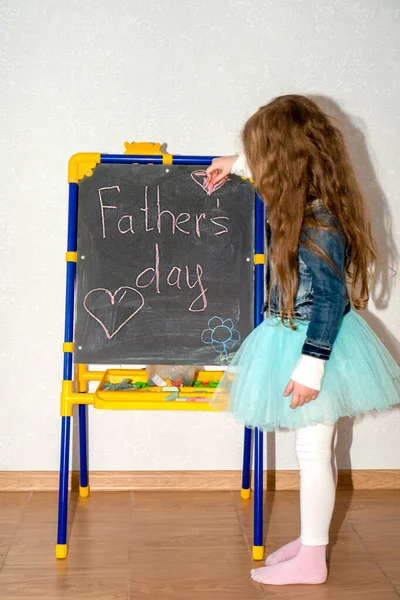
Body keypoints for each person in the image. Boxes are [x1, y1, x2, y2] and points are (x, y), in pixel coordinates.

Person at [206, 95, 400, 586]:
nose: (260, 170)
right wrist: (237, 162)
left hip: (314, 344)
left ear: (285, 162)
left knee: (315, 452)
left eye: (262, 157)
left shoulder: (318, 221)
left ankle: (313, 559)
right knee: (315, 451)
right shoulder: (308, 203)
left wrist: (310, 368)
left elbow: (331, 300)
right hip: (296, 336)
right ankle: (311, 539)